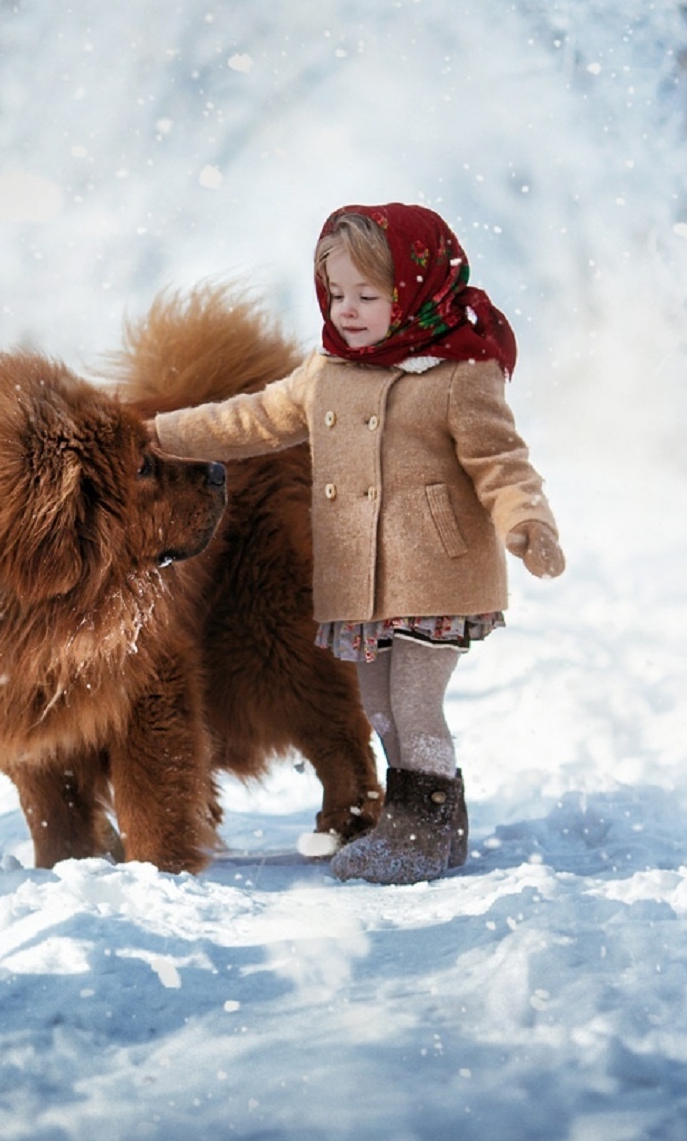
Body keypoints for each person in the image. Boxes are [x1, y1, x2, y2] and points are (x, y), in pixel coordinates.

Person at [149, 203, 564, 884]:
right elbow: (254, 418)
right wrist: (161, 434)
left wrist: (528, 522)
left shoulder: (461, 373)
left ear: (418, 290)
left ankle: (420, 830)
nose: (346, 310)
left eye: (368, 296)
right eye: (336, 294)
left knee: (414, 701)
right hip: (358, 577)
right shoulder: (328, 372)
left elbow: (502, 463)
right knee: (376, 704)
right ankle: (437, 817)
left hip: (435, 571)